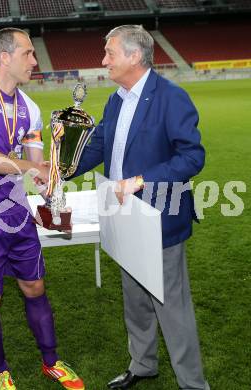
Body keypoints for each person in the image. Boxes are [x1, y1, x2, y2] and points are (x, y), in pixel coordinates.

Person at [72, 25, 210, 389]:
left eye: (110, 54)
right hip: (123, 215)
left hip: (159, 218)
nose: (103, 61)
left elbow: (193, 156)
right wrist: (60, 171)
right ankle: (143, 364)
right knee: (134, 300)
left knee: (172, 308)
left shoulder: (170, 97)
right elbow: (98, 145)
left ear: (134, 56)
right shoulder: (117, 98)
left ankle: (193, 384)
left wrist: (142, 179)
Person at [0, 27, 85, 390]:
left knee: (35, 285)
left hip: (16, 210)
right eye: (28, 53)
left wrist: (52, 196)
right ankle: (0, 372)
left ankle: (51, 361)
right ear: (5, 57)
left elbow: (39, 167)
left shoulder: (31, 108)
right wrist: (33, 169)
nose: (35, 60)